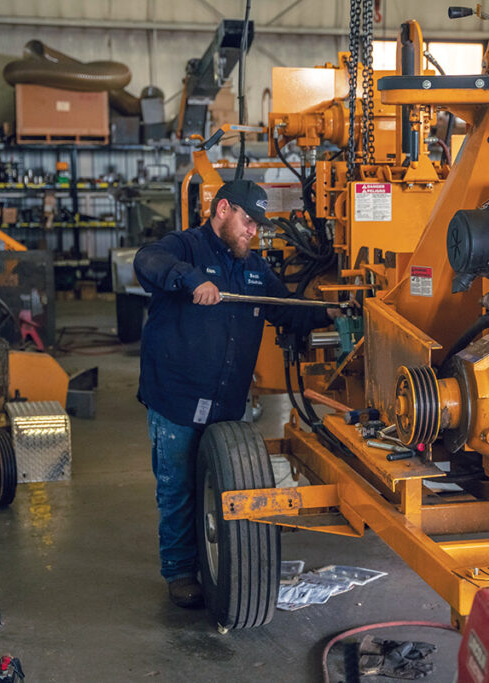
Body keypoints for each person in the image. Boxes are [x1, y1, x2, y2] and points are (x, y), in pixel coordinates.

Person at [133, 179, 338, 608]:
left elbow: (285, 310)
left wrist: (332, 315)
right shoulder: (185, 247)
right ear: (223, 209)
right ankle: (180, 572)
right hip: (177, 399)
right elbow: (146, 260)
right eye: (248, 222)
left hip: (226, 403)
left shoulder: (255, 268)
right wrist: (189, 280)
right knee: (177, 490)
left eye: (258, 226)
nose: (253, 233)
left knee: (219, 486)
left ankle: (216, 562)